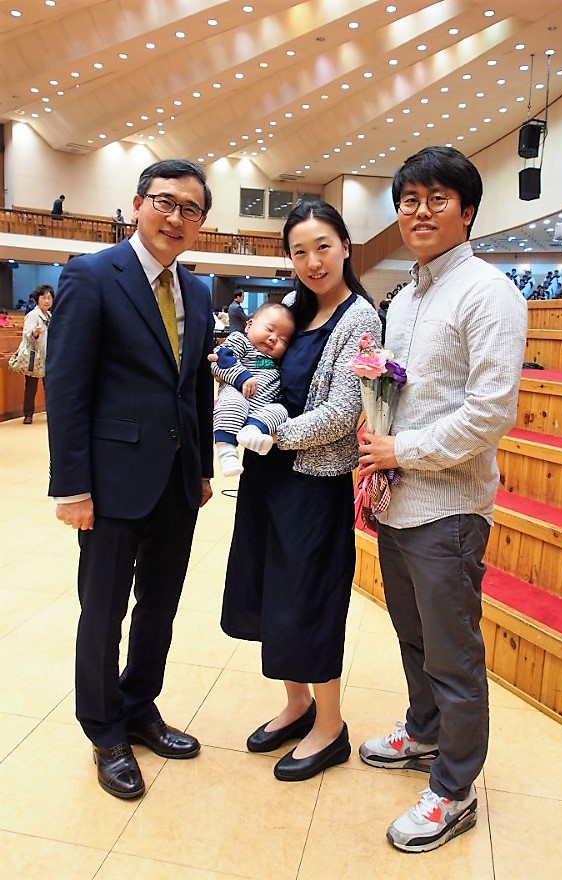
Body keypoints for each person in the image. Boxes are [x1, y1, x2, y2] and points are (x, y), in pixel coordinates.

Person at [357, 146, 527, 853]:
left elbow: (490, 412)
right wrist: (376, 438)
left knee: (453, 655)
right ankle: (424, 732)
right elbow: (398, 389)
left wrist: (402, 450)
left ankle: (455, 789)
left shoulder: (489, 293)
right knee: (414, 636)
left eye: (436, 199)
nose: (420, 212)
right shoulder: (406, 297)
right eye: (409, 201)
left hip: (449, 507)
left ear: (467, 211)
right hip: (397, 501)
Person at [45, 158, 215, 801]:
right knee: (104, 610)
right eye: (165, 202)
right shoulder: (91, 274)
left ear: (201, 222)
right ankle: (105, 729)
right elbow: (67, 386)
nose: (176, 217)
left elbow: (195, 387)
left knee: (160, 606)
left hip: (177, 480)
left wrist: (202, 467)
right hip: (112, 481)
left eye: (190, 209)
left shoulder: (197, 291)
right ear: (138, 203)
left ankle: (140, 705)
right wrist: (72, 487)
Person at [221, 200, 381, 783]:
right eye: (299, 251)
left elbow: (341, 414)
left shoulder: (360, 319)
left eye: (323, 247)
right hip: (268, 478)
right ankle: (297, 704)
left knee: (311, 599)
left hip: (314, 484)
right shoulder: (294, 308)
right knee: (274, 594)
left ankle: (330, 726)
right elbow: (250, 363)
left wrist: (272, 434)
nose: (313, 262)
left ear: (345, 246)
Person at [211, 302, 295, 476]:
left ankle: (252, 432)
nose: (273, 338)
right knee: (233, 403)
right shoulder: (241, 340)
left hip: (262, 406)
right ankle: (227, 453)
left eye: (283, 340)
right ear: (249, 325)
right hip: (238, 392)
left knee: (281, 411)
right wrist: (243, 377)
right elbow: (220, 358)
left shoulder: (278, 359)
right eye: (269, 329)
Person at [21, 285, 53, 423]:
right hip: (33, 357)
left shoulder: (50, 316)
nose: (47, 301)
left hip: (48, 356)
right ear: (37, 299)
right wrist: (35, 332)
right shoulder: (32, 315)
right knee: (31, 387)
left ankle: (52, 412)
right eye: (43, 298)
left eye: (49, 298)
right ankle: (28, 414)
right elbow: (26, 335)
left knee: (50, 387)